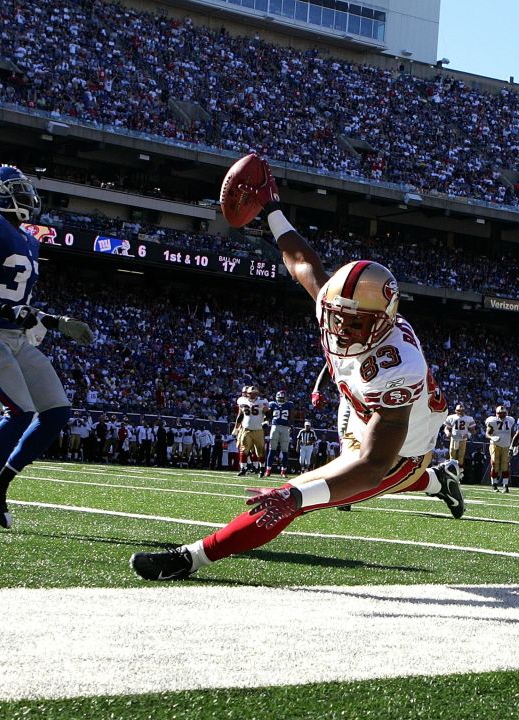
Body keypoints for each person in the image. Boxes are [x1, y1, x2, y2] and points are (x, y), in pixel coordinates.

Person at [131, 155, 465, 580]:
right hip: (362, 406)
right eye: (337, 316)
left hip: (399, 449)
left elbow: (375, 465)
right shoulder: (339, 306)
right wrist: (272, 209)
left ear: (381, 321)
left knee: (296, 495)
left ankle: (192, 558)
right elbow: (301, 261)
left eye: (354, 322)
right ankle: (441, 481)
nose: (341, 329)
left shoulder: (398, 366)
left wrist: (296, 498)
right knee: (327, 487)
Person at [0, 165, 95, 532]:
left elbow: (20, 305)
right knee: (18, 411)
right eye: (16, 188)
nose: (26, 195)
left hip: (17, 335)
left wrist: (56, 321)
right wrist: (6, 311)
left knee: (56, 412)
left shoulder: (29, 239)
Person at [234, 386, 269, 477]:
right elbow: (240, 415)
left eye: (253, 394)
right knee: (243, 449)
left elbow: (268, 413)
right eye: (250, 394)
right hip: (246, 429)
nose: (251, 396)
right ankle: (243, 469)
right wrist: (236, 428)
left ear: (257, 394)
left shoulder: (262, 402)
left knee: (260, 451)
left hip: (258, 430)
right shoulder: (242, 401)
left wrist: (266, 421)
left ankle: (261, 469)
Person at [483, 404, 515, 492]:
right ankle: (494, 484)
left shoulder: (510, 420)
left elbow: (513, 434)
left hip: (506, 445)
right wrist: (492, 437)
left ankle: (505, 485)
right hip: (495, 444)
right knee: (494, 463)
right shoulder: (492, 421)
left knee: (505, 465)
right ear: (496, 413)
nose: (501, 415)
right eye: (499, 413)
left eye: (503, 413)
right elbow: (487, 434)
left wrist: (514, 445)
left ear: (506, 413)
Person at [265, 390, 294, 478]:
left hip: (285, 428)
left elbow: (292, 416)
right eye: (280, 398)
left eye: (283, 398)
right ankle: (268, 470)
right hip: (275, 426)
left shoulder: (289, 404)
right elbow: (268, 415)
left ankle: (283, 471)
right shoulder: (272, 404)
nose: (281, 399)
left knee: (285, 451)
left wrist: (291, 426)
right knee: (272, 449)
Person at [444, 403, 475, 469]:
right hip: (454, 439)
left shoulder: (469, 418)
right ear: (455, 411)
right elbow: (446, 428)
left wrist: (468, 434)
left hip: (463, 440)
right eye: (459, 410)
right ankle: (452, 469)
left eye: (462, 410)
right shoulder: (451, 417)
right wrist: (447, 433)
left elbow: (473, 430)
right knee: (452, 456)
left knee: (461, 457)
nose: (460, 412)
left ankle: (459, 470)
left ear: (464, 411)